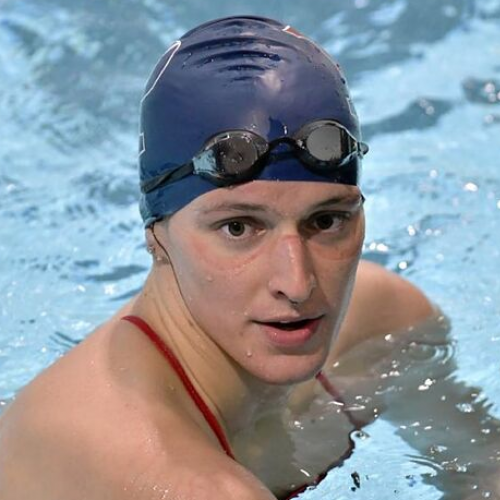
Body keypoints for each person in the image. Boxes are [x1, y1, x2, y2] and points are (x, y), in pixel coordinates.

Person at [0, 15, 435, 500]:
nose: (297, 284)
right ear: (156, 236)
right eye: (238, 228)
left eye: (327, 220)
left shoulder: (388, 323)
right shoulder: (171, 477)